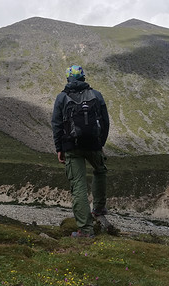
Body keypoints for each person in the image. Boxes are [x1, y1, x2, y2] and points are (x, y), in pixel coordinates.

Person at [51, 65, 110, 238]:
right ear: (83, 77)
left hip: (71, 147)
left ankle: (85, 231)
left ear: (68, 78)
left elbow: (57, 125)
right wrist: (100, 143)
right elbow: (105, 122)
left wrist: (59, 148)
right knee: (100, 171)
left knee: (78, 186)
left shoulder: (61, 97)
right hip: (93, 145)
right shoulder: (96, 95)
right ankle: (98, 209)